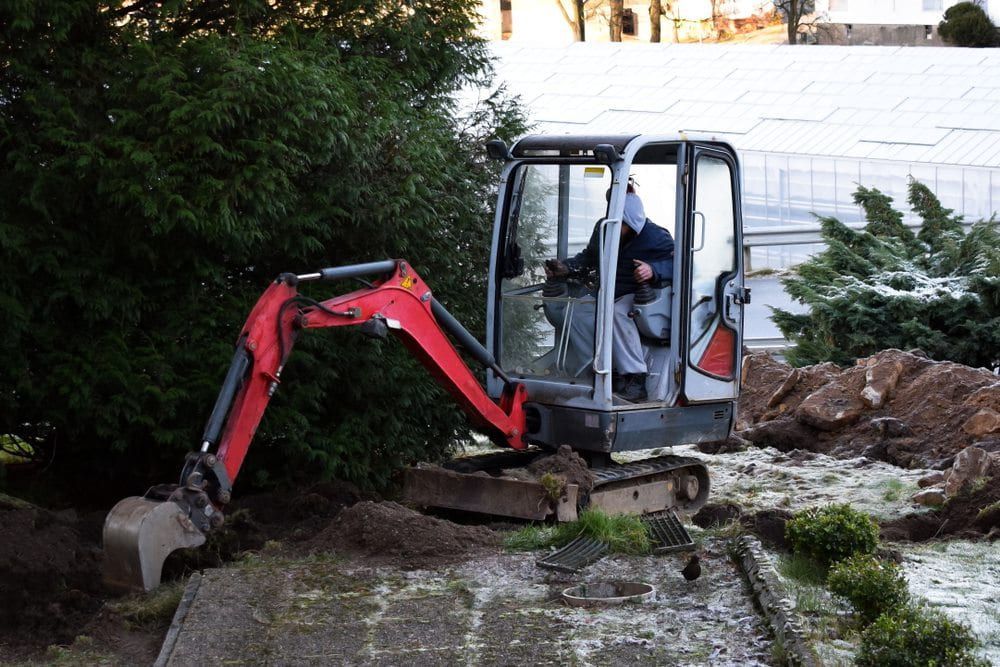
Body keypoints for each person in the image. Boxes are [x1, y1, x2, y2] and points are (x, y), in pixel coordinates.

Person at [545, 190, 674, 402]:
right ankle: (599, 366)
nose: (618, 228)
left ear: (634, 222)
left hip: (634, 293)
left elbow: (679, 263)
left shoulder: (656, 237)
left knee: (617, 312)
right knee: (576, 312)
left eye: (623, 223)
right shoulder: (604, 228)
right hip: (605, 293)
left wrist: (653, 269)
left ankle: (635, 378)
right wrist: (566, 267)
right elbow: (589, 257)